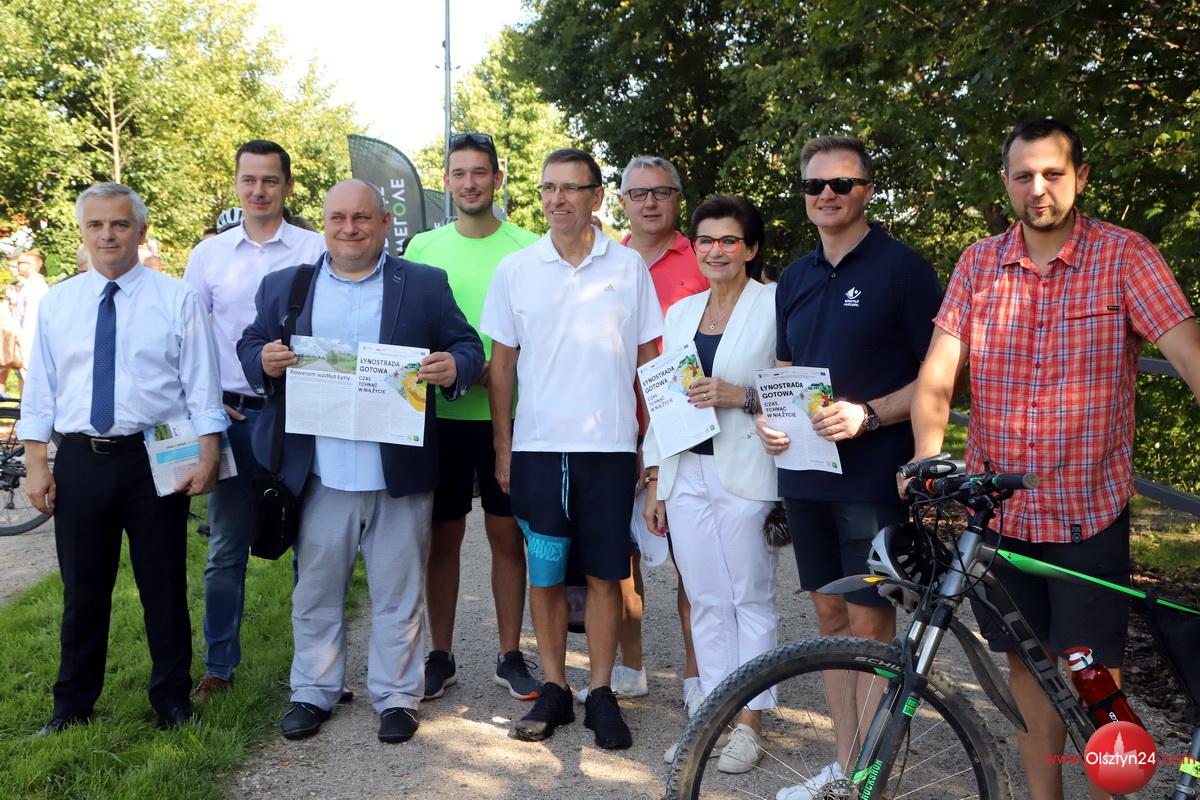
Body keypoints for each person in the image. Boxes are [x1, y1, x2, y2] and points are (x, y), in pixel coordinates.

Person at [908, 118, 1200, 800]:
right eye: (1023, 175)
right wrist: (927, 457)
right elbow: (937, 374)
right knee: (1027, 667)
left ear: (1080, 178)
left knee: (1094, 677)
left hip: (1086, 514)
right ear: (1005, 182)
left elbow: (1189, 356)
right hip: (1000, 516)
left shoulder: (1126, 256)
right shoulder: (979, 263)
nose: (1037, 189)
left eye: (1053, 174)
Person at [237, 179, 483, 744]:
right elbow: (250, 343)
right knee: (315, 592)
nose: (350, 229)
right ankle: (313, 691)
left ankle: (397, 697)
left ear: (384, 223)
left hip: (398, 473)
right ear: (325, 223)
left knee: (399, 594)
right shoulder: (286, 286)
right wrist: (263, 359)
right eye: (338, 218)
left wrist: (454, 367)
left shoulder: (422, 284)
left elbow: (467, 347)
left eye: (362, 218)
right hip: (319, 472)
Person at [756, 135, 942, 800]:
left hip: (873, 472)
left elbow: (940, 377)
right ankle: (845, 766)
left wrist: (870, 415)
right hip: (804, 471)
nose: (827, 195)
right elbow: (785, 368)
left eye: (842, 184)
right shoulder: (794, 276)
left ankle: (873, 775)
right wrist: (769, 417)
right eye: (815, 185)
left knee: (869, 623)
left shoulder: (903, 269)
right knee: (830, 617)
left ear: (867, 191)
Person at [18, 182, 227, 734]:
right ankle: (71, 706)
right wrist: (36, 461)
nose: (107, 234)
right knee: (83, 589)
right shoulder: (58, 303)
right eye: (96, 225)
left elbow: (201, 384)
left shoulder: (177, 298)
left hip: (154, 458)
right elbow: (41, 388)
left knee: (163, 585)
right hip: (81, 460)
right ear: (82, 231)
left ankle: (172, 700)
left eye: (119, 224)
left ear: (140, 230)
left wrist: (209, 452)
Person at [480, 148, 662, 749]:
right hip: (537, 450)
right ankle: (555, 688)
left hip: (609, 449)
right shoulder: (516, 269)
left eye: (570, 188)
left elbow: (650, 362)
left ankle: (602, 692)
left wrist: (652, 446)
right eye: (547, 188)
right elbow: (502, 365)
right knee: (547, 572)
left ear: (596, 197)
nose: (556, 199)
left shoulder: (629, 268)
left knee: (607, 574)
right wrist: (503, 446)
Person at [183, 140, 325, 702]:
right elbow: (190, 337)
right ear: (237, 184)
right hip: (235, 417)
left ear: (288, 185)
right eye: (249, 180)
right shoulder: (209, 255)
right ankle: (219, 666)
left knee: (313, 546)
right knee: (226, 547)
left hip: (301, 416)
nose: (259, 190)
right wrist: (206, 406)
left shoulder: (316, 247)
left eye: (270, 180)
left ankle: (316, 669)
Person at [402, 132, 541, 702]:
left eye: (480, 172)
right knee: (443, 537)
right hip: (441, 418)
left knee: (507, 536)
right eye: (458, 173)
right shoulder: (422, 248)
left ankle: (510, 655)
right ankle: (441, 654)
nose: (469, 183)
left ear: (497, 179)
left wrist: (497, 370)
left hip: (511, 417)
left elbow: (544, 335)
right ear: (446, 181)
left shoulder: (528, 247)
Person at [643, 195, 779, 773]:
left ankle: (750, 724)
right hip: (686, 471)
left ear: (750, 248)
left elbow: (798, 390)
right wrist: (657, 477)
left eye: (729, 240)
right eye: (705, 240)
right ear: (693, 246)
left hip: (746, 469)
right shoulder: (681, 312)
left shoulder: (775, 306)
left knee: (749, 596)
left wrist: (738, 396)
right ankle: (713, 719)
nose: (716, 250)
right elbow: (665, 397)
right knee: (704, 599)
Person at [584, 155, 708, 709]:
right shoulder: (606, 261)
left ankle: (697, 677)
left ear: (678, 198)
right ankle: (630, 668)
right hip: (616, 428)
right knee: (621, 561)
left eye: (661, 192)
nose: (650, 202)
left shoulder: (702, 259)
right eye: (638, 193)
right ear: (622, 202)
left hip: (687, 430)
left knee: (692, 562)